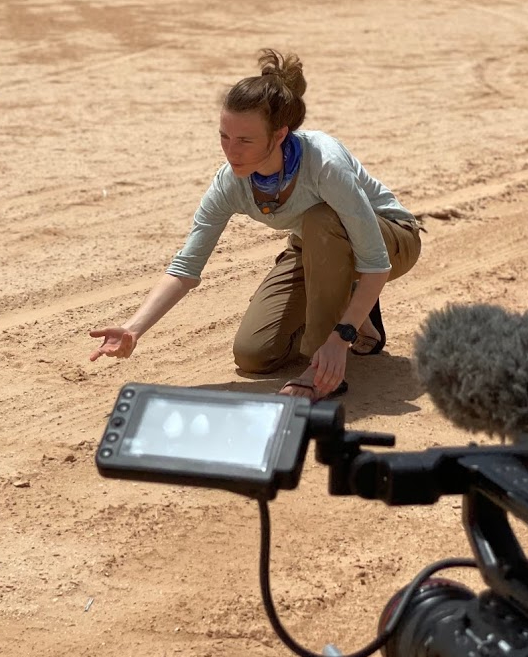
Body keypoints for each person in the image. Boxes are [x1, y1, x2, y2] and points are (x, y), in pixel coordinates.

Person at [88, 49, 422, 402]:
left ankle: (322, 371)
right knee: (254, 354)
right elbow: (186, 268)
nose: (232, 151)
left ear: (279, 135)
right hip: (318, 248)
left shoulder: (324, 163)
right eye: (224, 137)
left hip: (391, 237)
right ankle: (351, 301)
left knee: (320, 218)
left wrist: (339, 338)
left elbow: (375, 262)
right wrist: (133, 328)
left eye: (245, 140)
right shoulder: (230, 182)